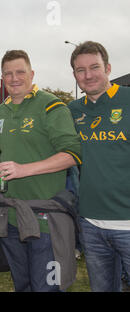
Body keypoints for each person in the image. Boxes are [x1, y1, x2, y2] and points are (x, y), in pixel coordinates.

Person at [0, 50, 82, 292]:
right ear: (2, 78)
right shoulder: (1, 111)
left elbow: (72, 154)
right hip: (12, 219)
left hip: (45, 220)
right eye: (8, 74)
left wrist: (24, 169)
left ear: (32, 74)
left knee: (47, 288)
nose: (14, 78)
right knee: (22, 285)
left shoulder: (51, 106)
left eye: (20, 72)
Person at [68, 41, 130, 292]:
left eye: (95, 67)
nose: (88, 75)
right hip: (91, 225)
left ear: (108, 68)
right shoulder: (72, 110)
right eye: (80, 70)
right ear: (74, 75)